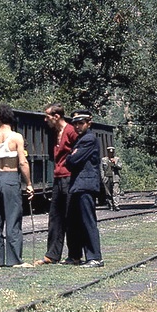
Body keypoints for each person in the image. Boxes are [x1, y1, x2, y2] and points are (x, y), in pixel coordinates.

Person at [0, 104, 34, 268]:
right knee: (13, 220)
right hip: (11, 178)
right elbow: (23, 162)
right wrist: (29, 184)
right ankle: (14, 260)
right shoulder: (16, 137)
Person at [33, 102, 78, 266]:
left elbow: (79, 152)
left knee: (70, 217)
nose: (46, 120)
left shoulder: (71, 131)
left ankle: (74, 255)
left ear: (56, 116)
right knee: (55, 217)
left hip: (69, 178)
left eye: (47, 116)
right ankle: (52, 255)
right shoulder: (55, 133)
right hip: (58, 178)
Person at [65, 109, 104, 268]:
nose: (77, 126)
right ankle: (75, 256)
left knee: (87, 221)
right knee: (74, 223)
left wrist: (71, 156)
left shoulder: (88, 139)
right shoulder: (81, 140)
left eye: (81, 123)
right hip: (78, 185)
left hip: (85, 185)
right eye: (75, 124)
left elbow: (72, 161)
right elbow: (72, 159)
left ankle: (95, 257)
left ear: (89, 123)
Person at [100, 146, 122, 211]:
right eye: (109, 152)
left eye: (112, 152)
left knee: (115, 192)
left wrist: (115, 164)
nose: (111, 153)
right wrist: (103, 177)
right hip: (107, 177)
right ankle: (110, 205)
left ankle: (116, 205)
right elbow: (102, 169)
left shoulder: (117, 159)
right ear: (108, 152)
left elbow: (120, 167)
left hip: (115, 177)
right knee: (108, 193)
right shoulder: (104, 160)